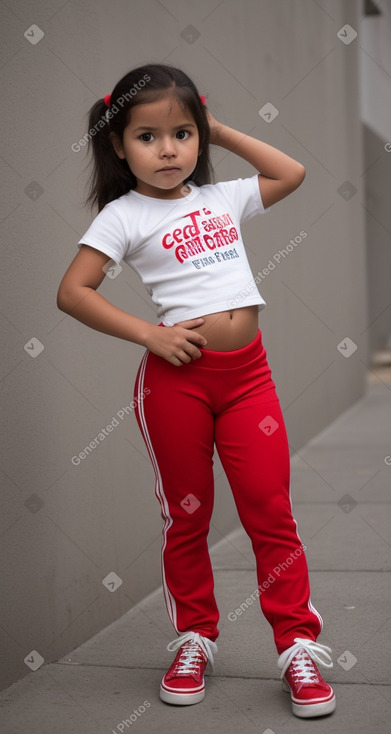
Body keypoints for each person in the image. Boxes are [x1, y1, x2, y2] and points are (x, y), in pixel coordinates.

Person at [57, 63, 336, 719]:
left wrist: (218, 129)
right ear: (119, 146)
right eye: (148, 137)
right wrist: (147, 337)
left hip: (248, 380)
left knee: (270, 508)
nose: (169, 149)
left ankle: (296, 643)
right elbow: (72, 292)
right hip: (175, 384)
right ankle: (194, 638)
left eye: (182, 134)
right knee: (186, 515)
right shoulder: (121, 216)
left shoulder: (222, 197)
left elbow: (290, 173)